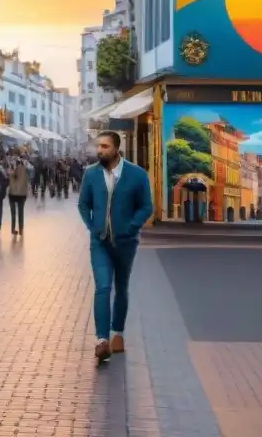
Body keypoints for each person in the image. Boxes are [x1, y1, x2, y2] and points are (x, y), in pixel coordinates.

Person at [78, 131, 153, 362]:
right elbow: (83, 204)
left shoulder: (137, 175)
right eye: (98, 146)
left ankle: (117, 333)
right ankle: (101, 340)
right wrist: (93, 228)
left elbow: (146, 207)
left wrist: (131, 227)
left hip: (126, 243)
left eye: (105, 146)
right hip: (99, 242)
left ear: (116, 149)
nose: (99, 150)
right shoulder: (90, 175)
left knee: (121, 287)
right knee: (102, 287)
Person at [8, 157, 30, 237]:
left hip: (12, 195)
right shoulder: (24, 171)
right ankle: (21, 229)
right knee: (21, 213)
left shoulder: (12, 170)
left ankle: (13, 229)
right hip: (21, 195)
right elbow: (26, 183)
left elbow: (9, 180)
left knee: (13, 214)